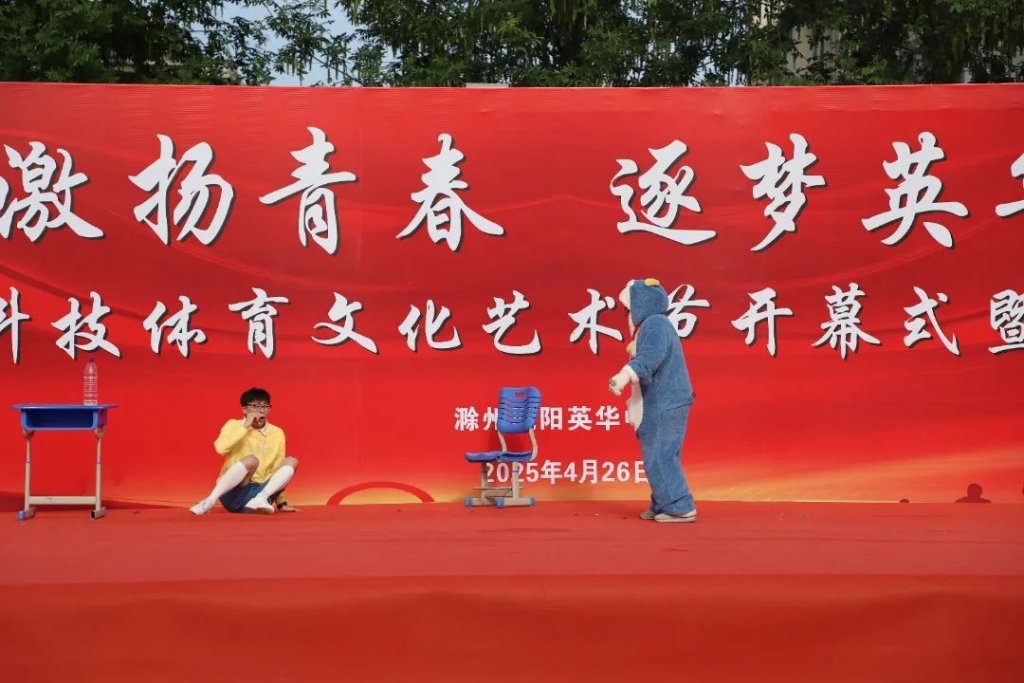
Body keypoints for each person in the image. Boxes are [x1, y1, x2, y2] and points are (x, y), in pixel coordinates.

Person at [609, 278, 697, 523]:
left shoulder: (655, 324)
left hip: (666, 401)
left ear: (640, 304)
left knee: (660, 455)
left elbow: (651, 356)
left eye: (628, 306)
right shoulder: (654, 324)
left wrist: (625, 375)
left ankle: (680, 506)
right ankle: (662, 501)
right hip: (664, 400)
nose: (626, 313)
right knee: (661, 453)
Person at [190, 387, 299, 515]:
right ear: (244, 409)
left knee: (292, 461)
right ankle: (209, 501)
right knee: (252, 461)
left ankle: (259, 500)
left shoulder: (277, 432)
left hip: (261, 493)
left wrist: (281, 503)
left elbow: (277, 468)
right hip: (232, 492)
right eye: (256, 406)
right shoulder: (233, 425)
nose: (261, 410)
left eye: (265, 406)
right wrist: (246, 425)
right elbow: (220, 448)